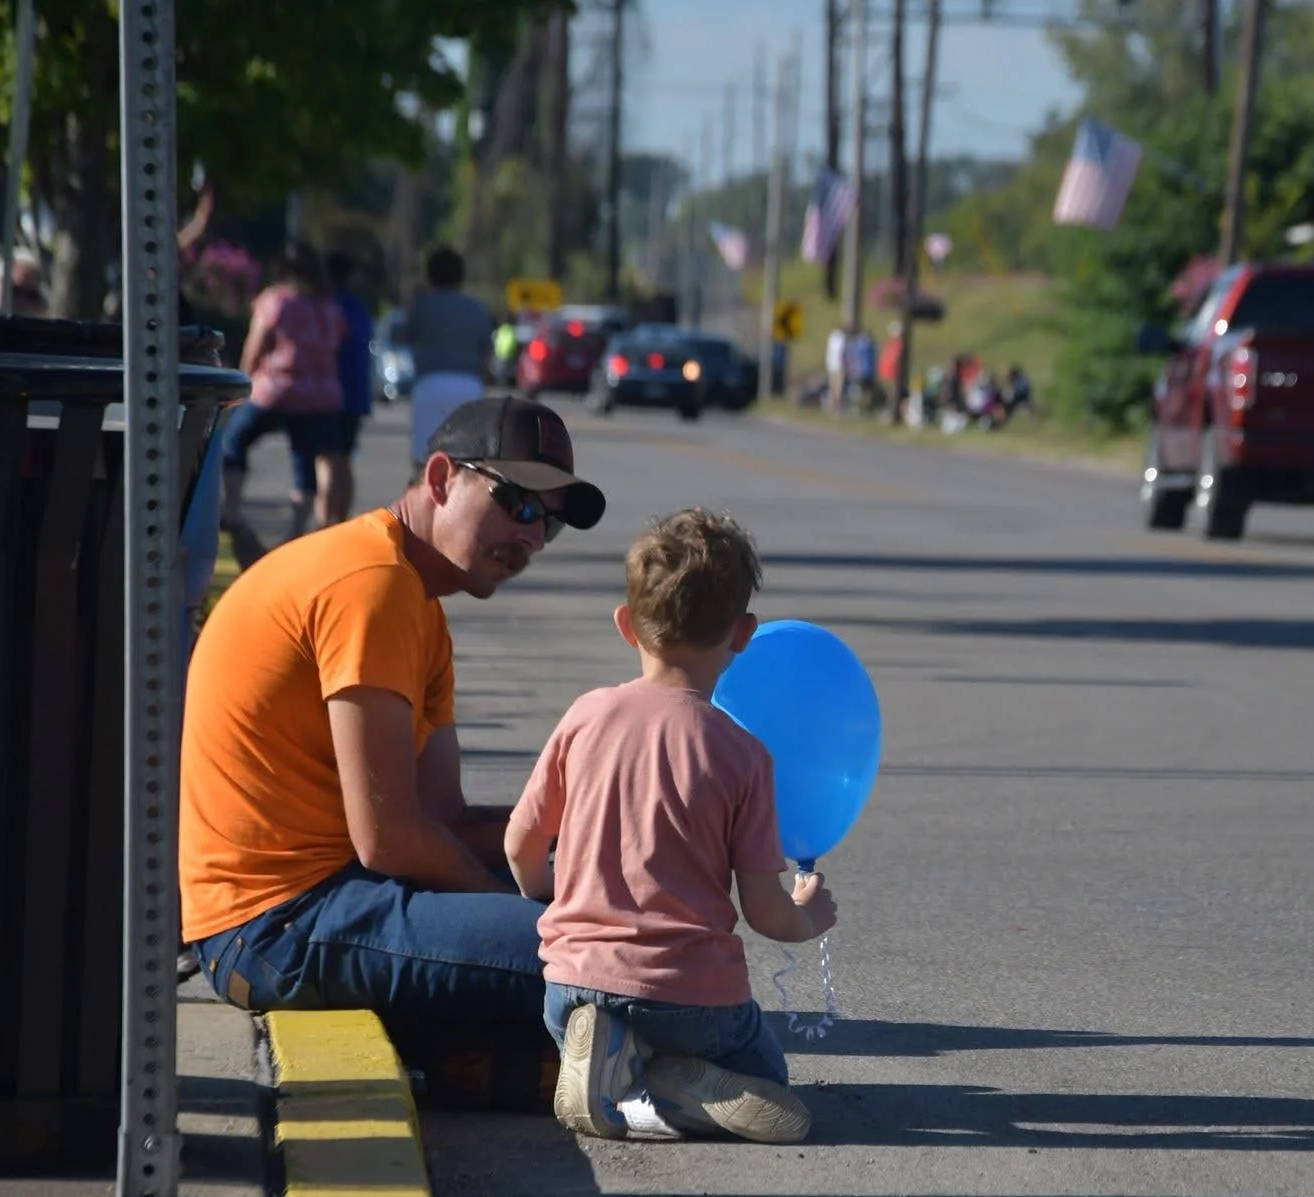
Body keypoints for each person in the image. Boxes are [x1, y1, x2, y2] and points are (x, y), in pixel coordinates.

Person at [182, 397, 607, 1064]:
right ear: (441, 478)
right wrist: (514, 904)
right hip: (272, 925)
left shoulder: (418, 608)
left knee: (602, 906)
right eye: (520, 504)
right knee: (590, 952)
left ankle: (488, 1063)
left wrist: (583, 838)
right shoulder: (370, 586)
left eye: (548, 526)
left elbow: (440, 819)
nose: (530, 537)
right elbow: (389, 839)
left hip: (326, 897)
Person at [506, 509, 837, 1145]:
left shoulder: (585, 717)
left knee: (592, 1014)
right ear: (744, 634)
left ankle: (616, 1061)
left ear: (626, 624)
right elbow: (766, 912)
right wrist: (808, 916)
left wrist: (551, 897)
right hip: (696, 1005)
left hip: (573, 985)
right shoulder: (742, 755)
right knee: (766, 1077)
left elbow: (520, 845)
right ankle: (665, 1083)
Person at [216, 241, 349, 555]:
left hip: (276, 390)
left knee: (234, 440)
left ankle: (232, 509)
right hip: (319, 395)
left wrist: (241, 380)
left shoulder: (276, 302)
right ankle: (296, 530)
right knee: (305, 459)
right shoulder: (330, 307)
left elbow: (256, 346)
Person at [407, 246, 495, 478]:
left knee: (424, 460)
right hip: (468, 384)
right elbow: (487, 353)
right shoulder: (477, 308)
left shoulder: (422, 305)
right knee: (467, 460)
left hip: (431, 384)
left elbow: (405, 336)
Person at [324, 251, 378, 527]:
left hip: (328, 393)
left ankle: (325, 524)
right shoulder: (359, 307)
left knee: (326, 460)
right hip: (356, 394)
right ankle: (341, 520)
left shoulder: (326, 306)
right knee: (344, 459)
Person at [824, 325, 849, 413]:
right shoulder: (842, 339)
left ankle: (833, 406)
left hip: (831, 365)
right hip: (839, 366)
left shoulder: (832, 338)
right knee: (838, 388)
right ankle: (837, 407)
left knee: (833, 388)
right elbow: (842, 353)